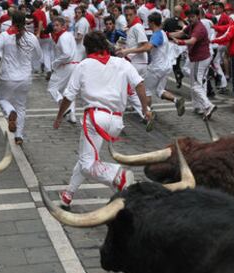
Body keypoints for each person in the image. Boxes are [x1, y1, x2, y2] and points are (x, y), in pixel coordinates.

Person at [55, 31, 151, 207]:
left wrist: (59, 116)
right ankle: (68, 194)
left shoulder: (83, 65)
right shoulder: (122, 63)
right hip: (116, 121)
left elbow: (69, 96)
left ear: (87, 48)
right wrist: (145, 109)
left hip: (95, 119)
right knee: (86, 156)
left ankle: (117, 175)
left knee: (87, 163)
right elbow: (139, 84)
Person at [0, 11, 42, 145]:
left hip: (8, 76)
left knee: (3, 100)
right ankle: (19, 136)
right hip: (25, 77)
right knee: (21, 106)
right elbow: (39, 55)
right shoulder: (31, 37)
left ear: (12, 21)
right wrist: (31, 62)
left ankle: (10, 112)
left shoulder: (5, 36)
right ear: (25, 21)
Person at [170, 7, 216, 120]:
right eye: (189, 17)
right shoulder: (192, 26)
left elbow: (192, 41)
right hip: (198, 58)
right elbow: (181, 32)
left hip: (200, 58)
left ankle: (207, 105)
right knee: (195, 82)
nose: (190, 19)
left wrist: (179, 42)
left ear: (198, 16)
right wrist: (167, 34)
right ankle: (198, 106)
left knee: (196, 85)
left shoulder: (199, 28)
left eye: (192, 17)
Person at [116, 4, 155, 129]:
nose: (128, 17)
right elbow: (134, 45)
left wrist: (127, 51)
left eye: (130, 15)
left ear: (135, 14)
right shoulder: (133, 27)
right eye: (126, 15)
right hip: (135, 63)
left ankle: (118, 121)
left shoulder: (137, 27)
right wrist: (123, 48)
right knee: (130, 92)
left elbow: (146, 46)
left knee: (123, 90)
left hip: (136, 64)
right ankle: (146, 113)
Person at [145, 12, 185, 116]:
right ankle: (176, 100)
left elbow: (149, 48)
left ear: (152, 23)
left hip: (156, 68)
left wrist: (133, 50)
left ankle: (147, 115)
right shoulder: (163, 33)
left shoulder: (157, 34)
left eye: (148, 22)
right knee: (160, 90)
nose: (147, 24)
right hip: (166, 67)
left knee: (147, 91)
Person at [47, 16, 78, 124]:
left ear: (63, 26)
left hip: (66, 66)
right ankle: (72, 115)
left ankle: (64, 106)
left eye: (57, 25)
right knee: (69, 91)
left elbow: (66, 54)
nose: (55, 27)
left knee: (52, 88)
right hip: (73, 65)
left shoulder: (63, 37)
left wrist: (55, 63)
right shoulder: (67, 35)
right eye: (54, 25)